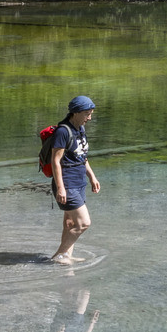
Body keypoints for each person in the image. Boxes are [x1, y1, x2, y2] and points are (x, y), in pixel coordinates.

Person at [48, 95, 100, 264]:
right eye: (87, 114)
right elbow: (55, 161)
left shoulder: (80, 129)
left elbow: (81, 156)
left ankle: (66, 257)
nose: (89, 117)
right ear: (75, 113)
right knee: (83, 223)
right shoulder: (63, 131)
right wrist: (61, 188)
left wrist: (92, 177)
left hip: (78, 182)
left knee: (70, 223)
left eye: (90, 113)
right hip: (67, 183)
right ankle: (59, 255)